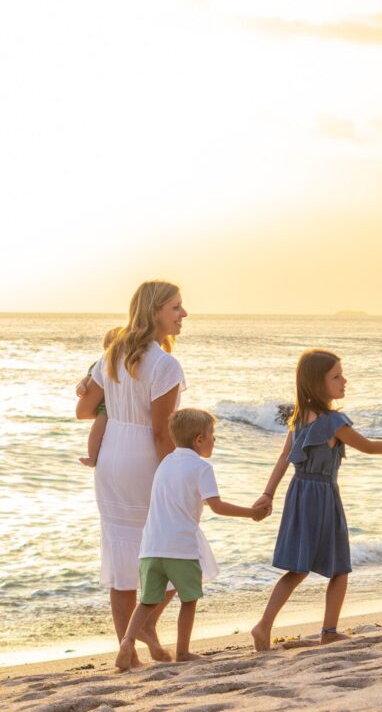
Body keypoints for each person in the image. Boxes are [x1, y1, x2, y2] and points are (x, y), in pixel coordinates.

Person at [251, 348, 382, 651]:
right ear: (318, 383)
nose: (345, 381)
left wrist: (268, 493)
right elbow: (366, 447)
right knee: (339, 565)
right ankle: (328, 631)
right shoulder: (333, 422)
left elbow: (283, 458)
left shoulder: (299, 418)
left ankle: (264, 626)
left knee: (298, 567)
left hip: (299, 493)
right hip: (323, 496)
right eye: (337, 376)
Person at [76, 280, 201, 667]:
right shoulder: (165, 364)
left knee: (121, 552)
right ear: (155, 312)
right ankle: (144, 626)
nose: (184, 314)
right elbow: (161, 433)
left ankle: (127, 649)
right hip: (145, 460)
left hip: (113, 458)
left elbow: (84, 411)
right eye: (176, 307)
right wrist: (174, 479)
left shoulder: (113, 354)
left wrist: (111, 404)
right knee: (172, 545)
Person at [115, 408, 269, 670]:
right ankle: (183, 652)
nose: (214, 441)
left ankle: (127, 642)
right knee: (189, 599)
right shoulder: (201, 467)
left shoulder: (165, 463)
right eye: (212, 436)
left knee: (148, 600)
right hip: (181, 547)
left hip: (151, 546)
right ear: (199, 440)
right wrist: (251, 513)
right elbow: (217, 506)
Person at [76, 326, 122, 466]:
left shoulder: (127, 364)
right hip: (105, 406)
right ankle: (92, 457)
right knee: (97, 430)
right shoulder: (100, 364)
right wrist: (81, 386)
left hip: (119, 407)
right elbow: (87, 378)